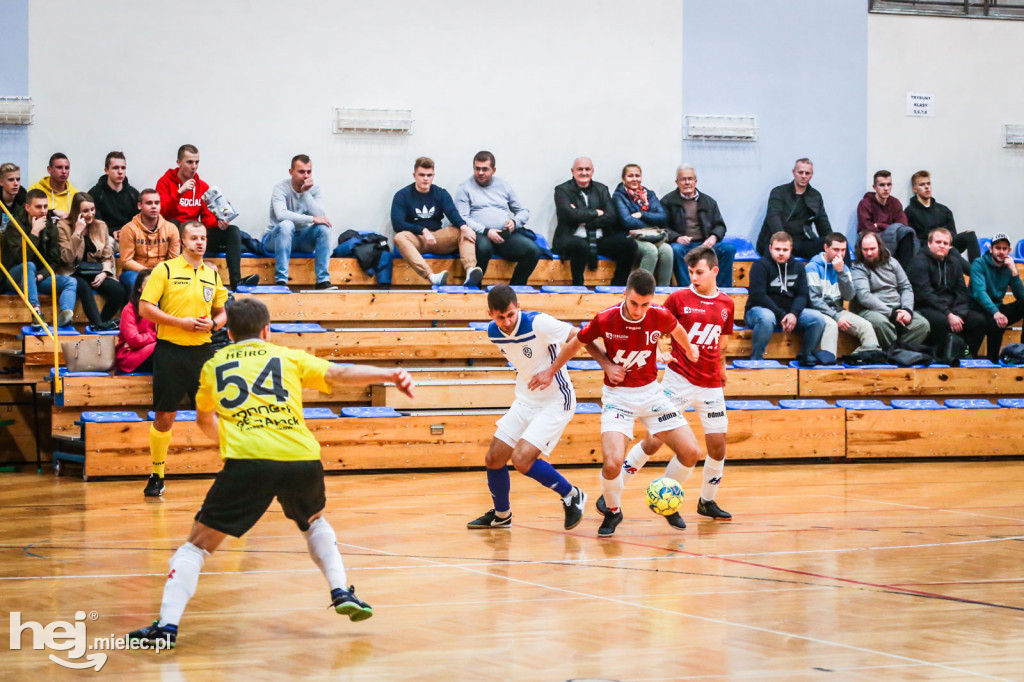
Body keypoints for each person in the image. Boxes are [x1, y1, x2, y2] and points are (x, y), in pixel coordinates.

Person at [127, 298, 415, 648]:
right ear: (267, 329)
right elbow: (338, 373)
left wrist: (231, 444)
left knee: (197, 546)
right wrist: (390, 374)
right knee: (314, 521)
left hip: (248, 461)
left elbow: (204, 419)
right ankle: (340, 590)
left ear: (229, 332)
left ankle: (166, 628)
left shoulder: (214, 365)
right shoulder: (287, 356)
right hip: (301, 458)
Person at [530, 270, 702, 537]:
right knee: (612, 463)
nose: (638, 310)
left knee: (691, 452)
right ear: (625, 294)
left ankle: (667, 499)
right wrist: (551, 371)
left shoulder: (659, 314)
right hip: (618, 397)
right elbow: (576, 343)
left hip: (651, 394)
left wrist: (689, 348)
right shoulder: (606, 318)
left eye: (645, 304)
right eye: (634, 303)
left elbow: (677, 329)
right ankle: (613, 511)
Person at [617, 247, 734, 520]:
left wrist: (722, 367)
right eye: (691, 272)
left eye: (700, 272)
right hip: (678, 379)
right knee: (654, 440)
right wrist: (659, 350)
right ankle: (613, 491)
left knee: (718, 446)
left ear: (715, 271)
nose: (694, 277)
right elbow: (651, 326)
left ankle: (706, 501)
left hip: (710, 385)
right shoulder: (679, 298)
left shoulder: (727, 303)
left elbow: (723, 340)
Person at [467, 285, 588, 530]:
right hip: (525, 400)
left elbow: (581, 336)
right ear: (490, 314)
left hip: (556, 400)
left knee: (522, 460)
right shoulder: (493, 333)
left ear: (518, 306)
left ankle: (572, 495)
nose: (507, 321)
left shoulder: (538, 323)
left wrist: (550, 371)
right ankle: (502, 516)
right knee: (494, 458)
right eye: (500, 317)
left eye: (511, 314)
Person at [138, 220, 230, 497]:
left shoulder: (212, 274)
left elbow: (222, 313)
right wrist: (179, 323)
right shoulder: (164, 270)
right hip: (170, 351)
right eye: (194, 238)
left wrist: (214, 326)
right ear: (182, 241)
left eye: (203, 238)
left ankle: (234, 472)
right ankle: (157, 474)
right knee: (165, 416)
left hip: (203, 353)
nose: (200, 242)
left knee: (217, 413)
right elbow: (145, 308)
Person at [156, 144, 258, 291]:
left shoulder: (202, 186)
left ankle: (236, 282)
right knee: (174, 223)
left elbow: (206, 219)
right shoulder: (165, 182)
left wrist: (218, 222)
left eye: (197, 162)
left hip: (195, 235)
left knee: (233, 230)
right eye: (189, 162)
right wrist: (179, 192)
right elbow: (161, 214)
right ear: (179, 163)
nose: (194, 166)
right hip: (175, 236)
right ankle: (177, 278)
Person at [392, 156, 481, 287]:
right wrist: (422, 230)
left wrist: (463, 226)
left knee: (464, 230)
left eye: (429, 175)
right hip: (417, 239)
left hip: (437, 237)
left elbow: (452, 212)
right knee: (399, 237)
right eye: (422, 175)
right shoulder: (402, 195)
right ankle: (431, 276)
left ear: (433, 176)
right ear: (414, 175)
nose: (425, 179)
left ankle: (470, 270)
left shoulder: (440, 193)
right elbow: (397, 224)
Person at [454, 151, 539, 286]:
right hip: (480, 234)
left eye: (485, 169)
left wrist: (514, 222)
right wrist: (487, 231)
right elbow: (462, 217)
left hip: (504, 235)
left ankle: (514, 289)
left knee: (533, 251)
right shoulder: (464, 187)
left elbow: (523, 211)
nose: (480, 172)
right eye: (477, 169)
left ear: (493, 170)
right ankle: (475, 289)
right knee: (483, 248)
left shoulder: (504, 186)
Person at [552, 157, 637, 286]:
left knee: (629, 245)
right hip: (571, 237)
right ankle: (577, 287)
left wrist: (584, 219)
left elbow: (611, 216)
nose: (584, 173)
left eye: (587, 169)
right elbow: (568, 215)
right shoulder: (562, 190)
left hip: (599, 238)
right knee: (581, 245)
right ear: (572, 171)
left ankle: (617, 286)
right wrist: (597, 212)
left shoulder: (602, 189)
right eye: (580, 169)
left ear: (592, 171)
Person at [745, 231, 828, 363]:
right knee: (767, 318)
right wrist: (782, 314)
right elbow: (758, 295)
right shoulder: (760, 265)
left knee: (817, 318)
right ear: (770, 248)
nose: (781, 253)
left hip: (788, 313)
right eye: (777, 249)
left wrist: (794, 314)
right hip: (758, 310)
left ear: (791, 249)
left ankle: (805, 356)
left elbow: (802, 294)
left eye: (785, 249)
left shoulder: (799, 267)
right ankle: (756, 359)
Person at [2, 189, 77, 327]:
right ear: (27, 208)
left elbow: (54, 261)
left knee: (71, 281)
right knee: (29, 265)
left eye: (45, 206)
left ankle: (65, 316)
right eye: (38, 207)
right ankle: (36, 311)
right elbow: (21, 258)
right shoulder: (14, 226)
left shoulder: (51, 227)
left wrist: (42, 276)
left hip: (35, 278)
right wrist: (34, 233)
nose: (43, 211)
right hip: (13, 276)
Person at [908, 228, 986, 357]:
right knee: (940, 321)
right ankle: (938, 357)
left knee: (978, 321)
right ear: (929, 243)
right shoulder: (919, 262)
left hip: (952, 308)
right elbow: (925, 293)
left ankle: (968, 356)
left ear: (950, 246)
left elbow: (961, 291)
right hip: (926, 306)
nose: (941, 246)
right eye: (938, 242)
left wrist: (959, 314)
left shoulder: (955, 263)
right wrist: (948, 314)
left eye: (945, 243)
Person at [264, 154, 335, 289]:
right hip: (277, 239)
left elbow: (320, 215)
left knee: (325, 227)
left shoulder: (314, 189)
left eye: (309, 172)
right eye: (301, 172)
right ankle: (281, 281)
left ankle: (322, 281)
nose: (306, 176)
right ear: (291, 172)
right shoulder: (280, 188)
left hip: (302, 238)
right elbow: (281, 215)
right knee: (286, 224)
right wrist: (311, 219)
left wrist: (306, 193)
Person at [849, 232, 930, 350]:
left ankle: (896, 351)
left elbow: (906, 287)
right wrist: (892, 313)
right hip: (870, 310)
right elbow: (864, 296)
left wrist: (907, 310)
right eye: (865, 250)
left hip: (897, 308)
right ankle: (897, 353)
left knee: (922, 324)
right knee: (881, 323)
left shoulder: (892, 262)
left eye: (872, 249)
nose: (869, 253)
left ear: (880, 247)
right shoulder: (858, 267)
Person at [56, 193, 125, 329]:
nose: (90, 214)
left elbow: (107, 255)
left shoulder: (100, 226)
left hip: (95, 270)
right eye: (85, 211)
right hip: (72, 271)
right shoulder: (63, 227)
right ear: (76, 211)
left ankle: (101, 323)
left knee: (118, 290)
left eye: (92, 210)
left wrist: (105, 272)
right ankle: (99, 324)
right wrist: (77, 233)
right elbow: (66, 258)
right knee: (84, 287)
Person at [661, 164, 736, 287]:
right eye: (683, 179)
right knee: (675, 249)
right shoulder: (668, 201)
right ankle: (687, 290)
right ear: (677, 182)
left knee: (728, 249)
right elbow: (662, 227)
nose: (687, 183)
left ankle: (723, 291)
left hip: (705, 245)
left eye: (690, 179)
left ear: (695, 181)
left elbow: (720, 226)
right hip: (683, 245)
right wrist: (676, 237)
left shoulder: (708, 202)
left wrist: (713, 237)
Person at [806, 232, 880, 358]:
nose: (839, 254)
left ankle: (865, 361)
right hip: (818, 312)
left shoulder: (844, 268)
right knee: (831, 325)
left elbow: (849, 296)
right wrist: (835, 317)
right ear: (826, 248)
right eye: (836, 250)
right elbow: (815, 301)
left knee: (866, 326)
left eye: (843, 250)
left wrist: (840, 273)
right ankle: (829, 365)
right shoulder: (812, 267)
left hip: (838, 310)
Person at [756, 158, 831, 259]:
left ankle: (845, 274)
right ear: (794, 172)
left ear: (812, 175)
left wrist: (832, 241)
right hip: (777, 241)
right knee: (782, 253)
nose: (803, 176)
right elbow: (773, 216)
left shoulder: (815, 196)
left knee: (837, 244)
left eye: (807, 173)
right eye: (800, 172)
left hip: (803, 242)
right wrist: (783, 240)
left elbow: (823, 223)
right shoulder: (779, 192)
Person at [613, 164, 672, 286]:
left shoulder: (650, 195)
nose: (634, 179)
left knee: (667, 250)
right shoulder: (618, 196)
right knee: (650, 251)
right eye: (630, 176)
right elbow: (627, 221)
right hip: (631, 237)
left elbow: (662, 217)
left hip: (652, 236)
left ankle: (663, 293)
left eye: (637, 175)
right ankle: (641, 291)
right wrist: (652, 220)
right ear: (623, 179)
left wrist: (642, 214)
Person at [969, 233, 1024, 362]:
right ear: (991, 249)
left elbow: (1021, 296)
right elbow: (979, 293)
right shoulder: (979, 263)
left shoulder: (1009, 266)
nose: (1001, 252)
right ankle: (990, 361)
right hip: (979, 309)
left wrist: (1014, 272)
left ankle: (1022, 352)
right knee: (996, 323)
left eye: (1004, 249)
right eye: (998, 248)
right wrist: (996, 313)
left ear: (1009, 251)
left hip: (998, 309)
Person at [904, 170, 980, 263]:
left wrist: (947, 242)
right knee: (953, 253)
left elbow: (952, 233)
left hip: (947, 244)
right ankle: (975, 273)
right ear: (914, 189)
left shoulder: (944, 210)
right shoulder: (910, 212)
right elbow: (912, 240)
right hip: (927, 248)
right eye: (922, 185)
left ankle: (977, 270)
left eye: (928, 183)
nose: (926, 187)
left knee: (970, 235)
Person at [119, 189, 181, 290]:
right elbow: (126, 261)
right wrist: (147, 272)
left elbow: (173, 259)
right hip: (135, 272)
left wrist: (160, 272)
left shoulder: (171, 228)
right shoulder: (129, 229)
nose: (154, 206)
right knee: (136, 281)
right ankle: (136, 306)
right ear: (139, 206)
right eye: (149, 203)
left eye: (157, 203)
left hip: (163, 271)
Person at [856, 170, 917, 270]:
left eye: (889, 185)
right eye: (882, 185)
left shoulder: (895, 202)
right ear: (874, 187)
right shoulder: (865, 204)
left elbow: (902, 225)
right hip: (874, 240)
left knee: (907, 233)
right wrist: (890, 227)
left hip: (894, 238)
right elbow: (867, 228)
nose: (886, 189)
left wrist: (879, 225)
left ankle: (906, 273)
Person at [87, 151, 140, 238]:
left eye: (123, 168)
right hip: (104, 237)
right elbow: (94, 222)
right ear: (106, 170)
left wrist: (125, 232)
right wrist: (112, 233)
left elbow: (139, 221)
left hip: (130, 236)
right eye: (115, 168)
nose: (120, 172)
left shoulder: (133, 194)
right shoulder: (95, 194)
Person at [116, 269, 157, 374]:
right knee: (163, 350)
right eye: (149, 284)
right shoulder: (129, 309)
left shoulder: (162, 307)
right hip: (130, 355)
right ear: (139, 288)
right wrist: (157, 336)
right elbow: (134, 340)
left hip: (151, 350)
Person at [28, 153, 78, 218]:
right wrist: (52, 212)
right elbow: (28, 213)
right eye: (59, 167)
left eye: (67, 168)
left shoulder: (75, 194)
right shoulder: (35, 189)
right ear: (49, 169)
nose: (64, 171)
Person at [1, 162, 26, 231]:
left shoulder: (23, 197)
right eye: (11, 180)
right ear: (1, 182)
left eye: (18, 179)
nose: (16, 183)